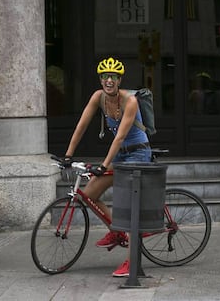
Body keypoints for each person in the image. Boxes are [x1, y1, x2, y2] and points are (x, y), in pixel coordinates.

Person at [62, 57, 152, 277]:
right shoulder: (98, 97)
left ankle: (132, 263)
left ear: (120, 80)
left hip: (138, 153)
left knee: (126, 208)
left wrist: (103, 165)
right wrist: (68, 154)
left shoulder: (130, 101)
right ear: (100, 79)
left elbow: (120, 137)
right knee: (89, 193)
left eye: (113, 77)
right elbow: (81, 126)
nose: (108, 80)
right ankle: (117, 231)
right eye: (105, 76)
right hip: (120, 155)